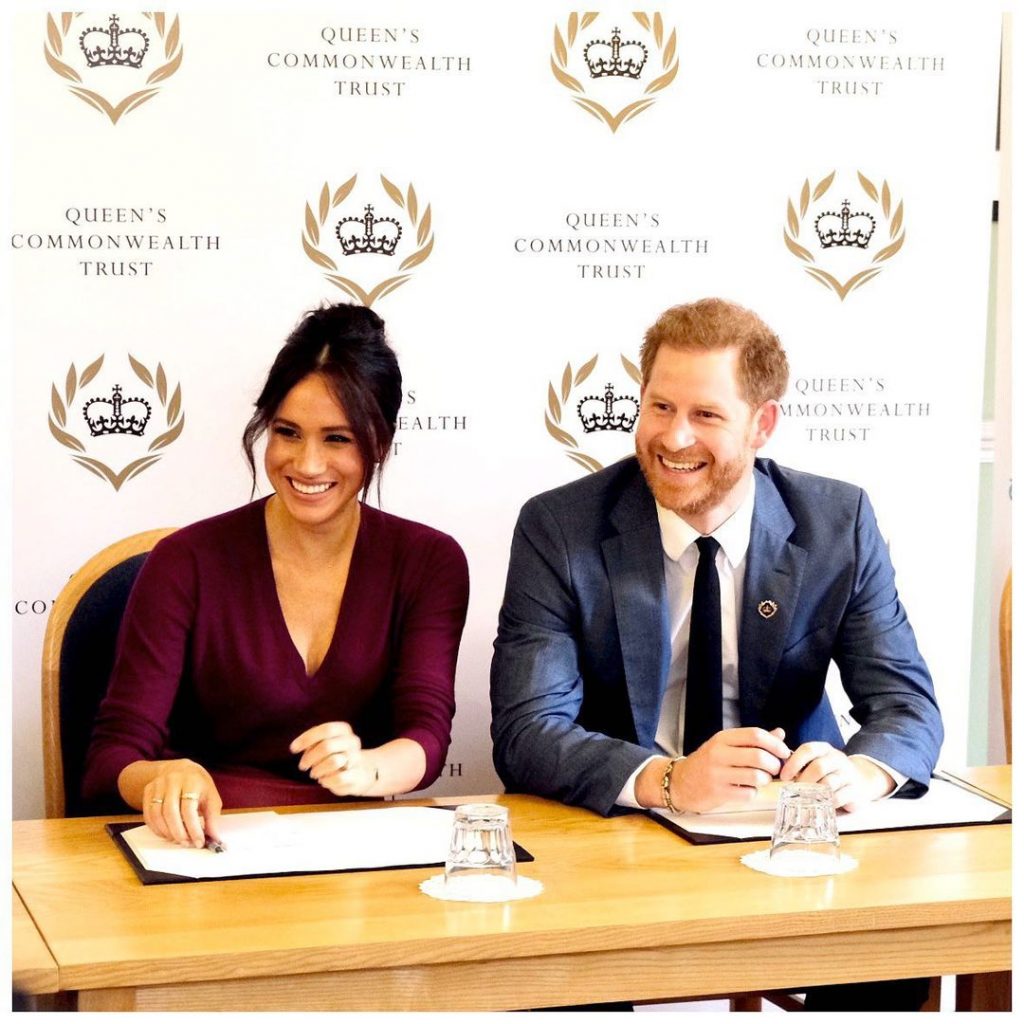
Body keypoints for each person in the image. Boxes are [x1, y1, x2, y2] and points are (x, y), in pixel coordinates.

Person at [490, 297, 942, 1011]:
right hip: (619, 831)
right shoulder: (561, 527)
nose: (673, 437)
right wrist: (668, 780)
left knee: (894, 959)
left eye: (705, 414)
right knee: (558, 980)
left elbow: (906, 705)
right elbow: (526, 730)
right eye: (660, 407)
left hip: (783, 830)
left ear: (762, 424)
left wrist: (860, 772)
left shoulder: (837, 522)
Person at [83, 303, 470, 850]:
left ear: (379, 443)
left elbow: (425, 736)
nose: (307, 464)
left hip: (353, 854)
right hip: (202, 850)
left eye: (338, 438)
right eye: (288, 433)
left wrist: (370, 768)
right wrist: (162, 777)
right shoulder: (183, 561)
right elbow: (112, 758)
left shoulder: (430, 561)